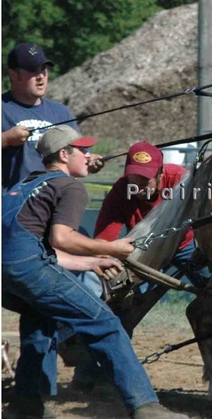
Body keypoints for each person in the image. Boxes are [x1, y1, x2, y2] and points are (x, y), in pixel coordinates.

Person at [1, 125, 189, 419]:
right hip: (26, 268)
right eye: (83, 151)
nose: (89, 157)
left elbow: (25, 251)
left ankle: (26, 404)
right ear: (65, 154)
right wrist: (112, 249)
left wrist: (89, 263)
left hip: (7, 275)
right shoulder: (69, 186)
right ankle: (145, 405)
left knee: (39, 320)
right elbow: (60, 239)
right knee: (105, 323)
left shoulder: (22, 187)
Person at [89, 141, 212, 396]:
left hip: (190, 246)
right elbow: (103, 241)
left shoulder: (183, 180)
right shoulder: (120, 192)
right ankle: (97, 370)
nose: (139, 187)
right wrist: (107, 261)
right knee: (120, 309)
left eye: (146, 180)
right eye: (133, 179)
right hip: (147, 253)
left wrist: (204, 248)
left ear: (161, 173)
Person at [2, 43, 103, 193]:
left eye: (43, 69)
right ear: (14, 74)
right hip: (11, 206)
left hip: (53, 201)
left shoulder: (61, 112)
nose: (41, 76)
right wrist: (6, 139)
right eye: (32, 71)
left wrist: (90, 161)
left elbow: (76, 157)